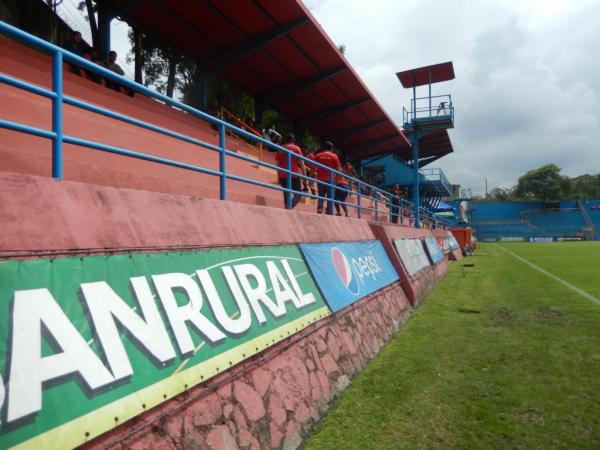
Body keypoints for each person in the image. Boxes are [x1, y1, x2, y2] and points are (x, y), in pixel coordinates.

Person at [275, 133, 306, 209]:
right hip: (294, 174)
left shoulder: (280, 149)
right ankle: (289, 206)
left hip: (283, 175)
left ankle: (287, 206)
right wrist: (304, 176)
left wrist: (279, 176)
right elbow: (301, 163)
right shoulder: (296, 148)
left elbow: (278, 165)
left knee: (286, 192)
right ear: (293, 140)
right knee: (298, 193)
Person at [314, 141, 341, 215]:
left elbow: (313, 167)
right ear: (331, 148)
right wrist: (337, 180)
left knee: (321, 195)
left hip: (320, 179)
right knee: (330, 197)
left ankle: (319, 208)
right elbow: (338, 169)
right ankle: (329, 212)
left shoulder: (318, 155)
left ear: (323, 148)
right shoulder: (334, 156)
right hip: (330, 180)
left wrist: (311, 178)